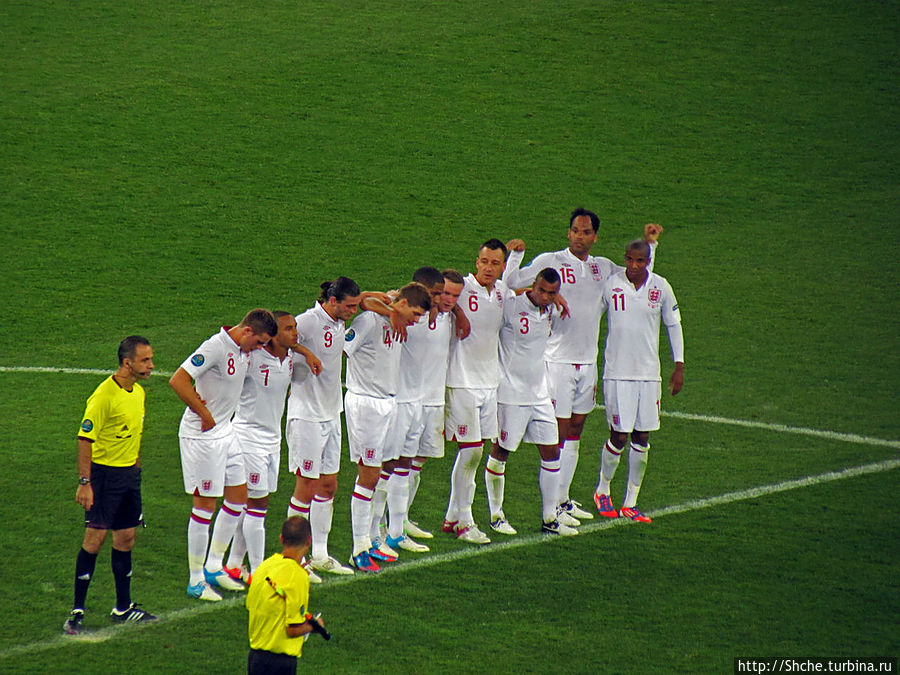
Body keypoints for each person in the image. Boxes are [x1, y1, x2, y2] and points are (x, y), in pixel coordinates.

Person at [503, 209, 662, 520]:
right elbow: (512, 282)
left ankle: (563, 500)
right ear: (568, 233)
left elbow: (637, 276)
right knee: (558, 436)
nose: (579, 236)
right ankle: (552, 507)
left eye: (586, 232)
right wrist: (515, 255)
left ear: (595, 237)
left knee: (576, 431)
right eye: (575, 230)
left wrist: (651, 246)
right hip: (558, 362)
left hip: (588, 363)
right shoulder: (551, 261)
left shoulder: (602, 268)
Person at [170, 309, 278, 601]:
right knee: (204, 506)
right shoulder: (215, 346)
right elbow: (178, 380)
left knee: (238, 498)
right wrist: (204, 413)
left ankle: (214, 566)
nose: (259, 349)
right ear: (246, 332)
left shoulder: (243, 350)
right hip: (202, 436)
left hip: (225, 432)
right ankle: (195, 580)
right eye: (258, 343)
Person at [64, 336, 158, 635]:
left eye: (150, 359)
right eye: (145, 360)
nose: (151, 365)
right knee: (94, 540)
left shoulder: (139, 392)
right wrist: (85, 482)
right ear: (127, 363)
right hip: (103, 477)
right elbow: (84, 438)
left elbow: (136, 435)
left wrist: (137, 473)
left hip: (128, 476)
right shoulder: (104, 395)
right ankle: (76, 612)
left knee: (126, 538)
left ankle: (123, 607)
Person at [592, 240, 684, 523]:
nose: (633, 266)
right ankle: (603, 490)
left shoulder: (661, 287)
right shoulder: (611, 285)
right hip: (618, 374)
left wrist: (679, 364)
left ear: (648, 261)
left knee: (642, 437)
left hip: (648, 376)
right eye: (629, 260)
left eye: (640, 261)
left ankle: (631, 502)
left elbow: (673, 324)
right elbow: (590, 316)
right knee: (619, 435)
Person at [483, 269, 579, 537]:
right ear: (532, 286)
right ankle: (496, 515)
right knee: (501, 452)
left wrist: (556, 298)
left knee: (551, 452)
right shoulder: (511, 306)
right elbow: (502, 292)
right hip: (510, 394)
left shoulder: (549, 309)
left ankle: (550, 517)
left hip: (539, 394)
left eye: (552, 292)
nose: (547, 297)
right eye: (543, 291)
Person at [343, 283, 431, 572]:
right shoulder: (368, 321)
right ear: (402, 303)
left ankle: (371, 540)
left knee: (383, 471)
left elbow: (377, 298)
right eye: (414, 313)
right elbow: (344, 347)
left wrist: (391, 310)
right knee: (367, 476)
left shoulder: (392, 315)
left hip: (388, 402)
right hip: (366, 404)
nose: (416, 320)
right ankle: (358, 550)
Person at [224, 312, 313, 584]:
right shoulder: (252, 358)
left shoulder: (289, 360)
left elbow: (294, 349)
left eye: (296, 327)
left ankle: (234, 564)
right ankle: (261, 570)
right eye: (289, 328)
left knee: (254, 505)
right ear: (272, 335)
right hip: (248, 438)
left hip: (272, 441)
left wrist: (303, 351)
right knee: (258, 505)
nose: (295, 332)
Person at [285, 278, 362, 579]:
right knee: (305, 488)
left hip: (332, 414)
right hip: (306, 416)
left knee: (328, 486)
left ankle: (319, 553)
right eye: (349, 306)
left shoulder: (338, 319)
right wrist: (305, 353)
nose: (354, 312)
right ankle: (294, 559)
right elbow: (277, 337)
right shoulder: (306, 321)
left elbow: (369, 298)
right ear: (332, 302)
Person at [443, 239, 514, 544]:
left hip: (490, 383)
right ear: (477, 262)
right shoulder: (461, 289)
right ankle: (465, 521)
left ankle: (451, 516)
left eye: (495, 263)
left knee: (476, 451)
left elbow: (528, 294)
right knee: (470, 451)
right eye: (484, 262)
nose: (488, 268)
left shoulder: (502, 293)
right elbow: (429, 292)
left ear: (502, 266)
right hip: (461, 382)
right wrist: (456, 311)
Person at [402, 269, 466, 541]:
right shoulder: (409, 311)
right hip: (406, 399)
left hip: (434, 400)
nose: (446, 299)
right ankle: (386, 526)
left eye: (452, 295)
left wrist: (458, 312)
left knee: (418, 462)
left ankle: (401, 518)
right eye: (441, 293)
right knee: (397, 464)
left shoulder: (447, 317)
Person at [246, 516, 325, 675]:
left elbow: (251, 605)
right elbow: (292, 629)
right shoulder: (298, 577)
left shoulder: (265, 566)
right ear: (309, 541)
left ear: (282, 539)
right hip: (280, 663)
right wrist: (315, 626)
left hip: (255, 657)